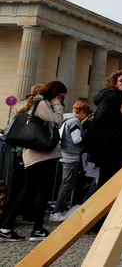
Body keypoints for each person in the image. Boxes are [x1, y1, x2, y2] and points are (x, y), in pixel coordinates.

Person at [0, 81, 67, 242]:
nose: (62, 99)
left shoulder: (37, 102)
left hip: (34, 155)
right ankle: (35, 229)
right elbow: (57, 122)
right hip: (41, 155)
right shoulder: (43, 103)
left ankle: (7, 228)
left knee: (29, 191)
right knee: (39, 192)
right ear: (56, 93)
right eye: (61, 96)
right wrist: (58, 106)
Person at [50, 101, 92, 221]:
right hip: (71, 156)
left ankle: (60, 209)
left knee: (67, 184)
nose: (86, 117)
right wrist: (86, 134)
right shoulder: (75, 121)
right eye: (86, 114)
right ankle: (57, 211)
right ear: (82, 112)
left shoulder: (67, 119)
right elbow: (76, 139)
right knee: (67, 184)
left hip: (65, 155)